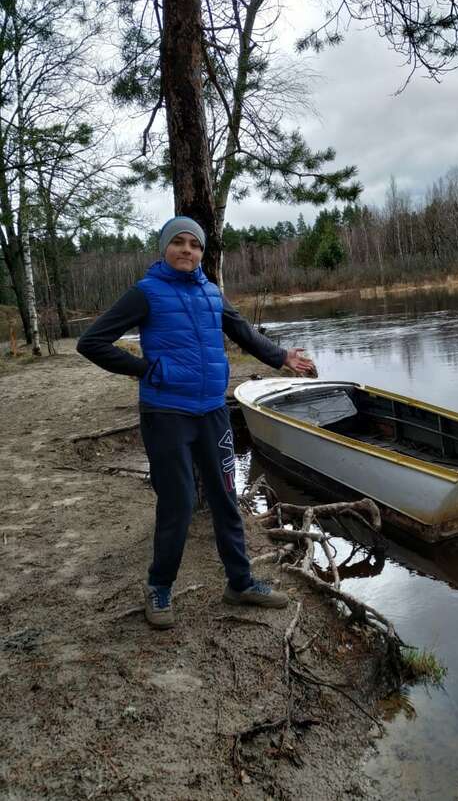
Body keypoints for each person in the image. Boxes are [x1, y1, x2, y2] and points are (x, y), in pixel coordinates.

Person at [77, 216, 316, 629]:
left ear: (202, 253)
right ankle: (159, 587)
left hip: (212, 411)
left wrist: (281, 357)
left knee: (226, 496)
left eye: (195, 245)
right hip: (166, 414)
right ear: (165, 248)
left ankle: (240, 583)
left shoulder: (211, 293)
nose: (187, 250)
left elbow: (242, 332)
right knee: (179, 502)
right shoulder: (146, 293)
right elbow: (91, 342)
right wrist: (143, 368)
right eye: (179, 243)